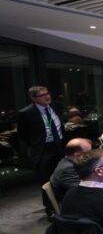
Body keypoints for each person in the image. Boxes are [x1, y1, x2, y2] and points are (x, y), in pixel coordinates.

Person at [17, 86, 66, 217]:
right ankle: (50, 209)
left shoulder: (55, 106)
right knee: (46, 180)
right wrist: (36, 143)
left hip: (59, 146)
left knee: (64, 175)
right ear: (33, 98)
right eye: (42, 95)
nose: (47, 96)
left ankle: (66, 204)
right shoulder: (26, 113)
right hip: (43, 149)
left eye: (47, 93)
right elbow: (23, 133)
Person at [50, 138, 92, 204]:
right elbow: (83, 192)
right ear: (77, 155)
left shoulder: (68, 161)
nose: (91, 155)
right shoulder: (68, 169)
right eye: (89, 152)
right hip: (76, 205)